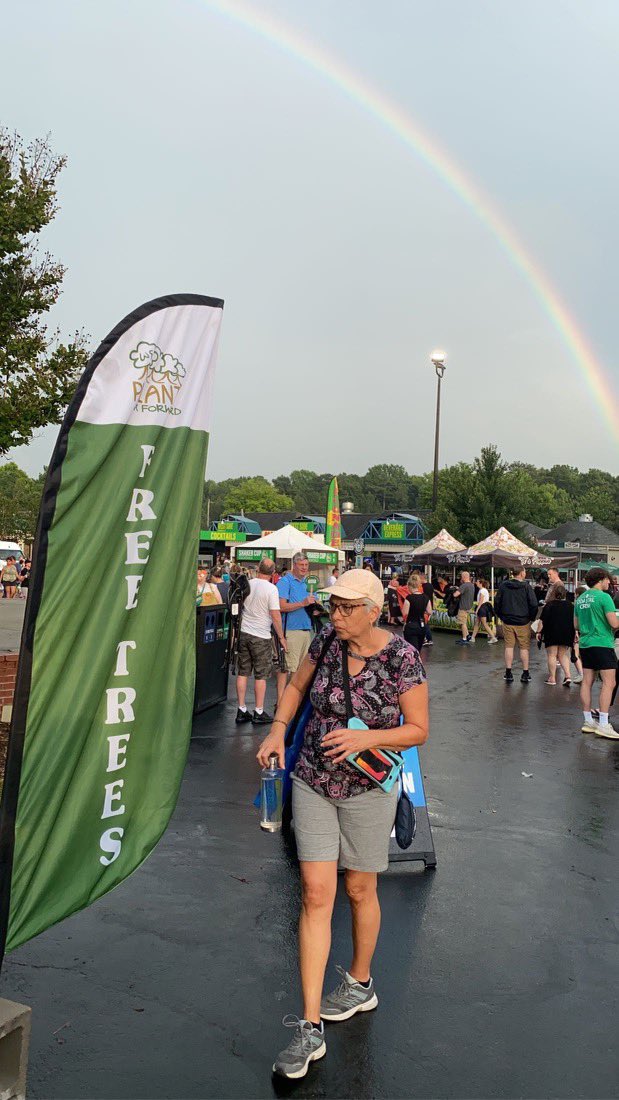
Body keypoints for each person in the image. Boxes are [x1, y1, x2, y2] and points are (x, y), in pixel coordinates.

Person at [256, 569, 429, 1080]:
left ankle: (359, 981)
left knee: (358, 888)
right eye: (334, 604)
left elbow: (418, 729)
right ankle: (309, 1026)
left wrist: (366, 739)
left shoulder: (402, 657)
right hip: (312, 779)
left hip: (367, 792)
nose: (336, 614)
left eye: (347, 607)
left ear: (374, 610)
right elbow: (295, 686)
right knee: (315, 894)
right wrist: (277, 731)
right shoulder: (327, 642)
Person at [235, 558, 287, 726]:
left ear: (258, 569)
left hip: (244, 632)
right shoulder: (271, 589)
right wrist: (281, 637)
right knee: (261, 675)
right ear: (273, 573)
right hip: (261, 635)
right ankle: (258, 711)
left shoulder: (249, 584)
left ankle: (241, 709)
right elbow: (275, 615)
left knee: (243, 672)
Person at [574, 567, 619, 739]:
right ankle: (603, 723)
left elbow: (576, 625)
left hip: (586, 644)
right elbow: (614, 623)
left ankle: (588, 721)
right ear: (600, 579)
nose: (609, 582)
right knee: (609, 682)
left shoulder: (580, 599)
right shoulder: (604, 597)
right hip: (602, 643)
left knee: (587, 681)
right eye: (607, 579)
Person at [276, 552, 315, 704]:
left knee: (300, 671)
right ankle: (281, 702)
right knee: (287, 668)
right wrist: (303, 603)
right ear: (294, 565)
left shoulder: (308, 583)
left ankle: (292, 702)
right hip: (291, 631)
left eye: (306, 565)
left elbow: (309, 604)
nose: (304, 568)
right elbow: (280, 606)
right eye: (301, 565)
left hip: (306, 630)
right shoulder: (285, 582)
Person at [494, 565, 538, 683]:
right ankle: (525, 673)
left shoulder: (504, 585)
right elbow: (534, 604)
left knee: (509, 646)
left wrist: (501, 615)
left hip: (507, 620)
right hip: (523, 621)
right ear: (522, 573)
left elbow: (497, 602)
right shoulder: (526, 587)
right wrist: (531, 618)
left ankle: (508, 672)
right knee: (524, 647)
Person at [539, 583, 574, 685]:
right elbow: (574, 620)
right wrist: (575, 632)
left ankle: (552, 678)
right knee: (563, 655)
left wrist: (538, 632)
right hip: (566, 632)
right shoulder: (570, 605)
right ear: (565, 594)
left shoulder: (549, 605)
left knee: (552, 655)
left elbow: (542, 620)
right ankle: (568, 676)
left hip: (552, 632)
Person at [402, 572, 431, 652]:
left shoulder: (409, 598)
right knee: (418, 649)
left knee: (411, 650)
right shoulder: (425, 597)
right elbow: (429, 611)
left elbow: (405, 613)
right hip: (421, 626)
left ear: (409, 586)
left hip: (411, 625)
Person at [471, 577, 498, 643]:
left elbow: (481, 600)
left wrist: (477, 609)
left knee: (483, 623)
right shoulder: (483, 590)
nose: (476, 583)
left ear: (480, 583)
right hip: (483, 607)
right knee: (478, 623)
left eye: (477, 582)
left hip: (482, 608)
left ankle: (493, 637)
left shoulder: (482, 590)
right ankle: (472, 637)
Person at [453, 571, 475, 645]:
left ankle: (464, 638)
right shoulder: (472, 585)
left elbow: (455, 595)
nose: (461, 578)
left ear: (464, 577)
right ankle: (467, 635)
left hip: (463, 606)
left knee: (462, 623)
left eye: (461, 576)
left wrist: (453, 591)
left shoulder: (464, 585)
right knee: (463, 622)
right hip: (469, 606)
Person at [421, 576, 434, 645]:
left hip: (425, 606)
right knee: (425, 623)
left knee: (424, 624)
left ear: (423, 579)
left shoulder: (423, 587)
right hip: (429, 605)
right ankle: (427, 639)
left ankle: (428, 639)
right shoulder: (430, 585)